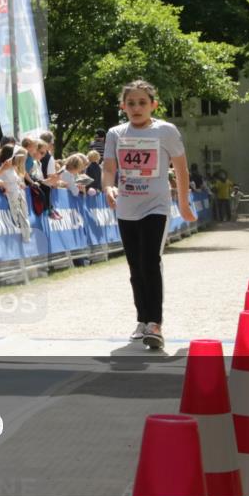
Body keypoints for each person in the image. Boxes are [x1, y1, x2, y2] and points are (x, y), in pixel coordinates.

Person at [102, 79, 195, 350]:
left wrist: (184, 203)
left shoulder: (165, 131)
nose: (137, 107)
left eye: (142, 102)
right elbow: (109, 168)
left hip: (156, 206)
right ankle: (142, 319)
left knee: (150, 261)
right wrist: (108, 187)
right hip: (126, 208)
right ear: (123, 107)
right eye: (131, 103)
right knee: (135, 266)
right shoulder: (115, 133)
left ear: (153, 104)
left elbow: (181, 169)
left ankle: (155, 323)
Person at [0, 147, 32, 242]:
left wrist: (20, 184)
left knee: (23, 217)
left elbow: (17, 180)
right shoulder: (2, 168)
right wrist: (3, 185)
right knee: (16, 219)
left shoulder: (12, 169)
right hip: (10, 197)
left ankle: (25, 235)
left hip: (18, 197)